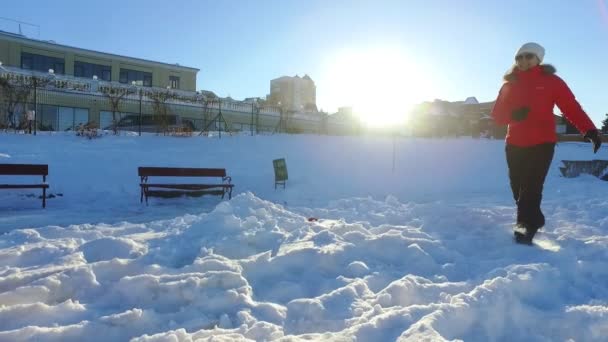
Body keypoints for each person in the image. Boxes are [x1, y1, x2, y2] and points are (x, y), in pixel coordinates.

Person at [491, 42, 602, 245]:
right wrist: (513, 114)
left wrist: (589, 130)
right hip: (515, 143)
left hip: (542, 143)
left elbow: (570, 107)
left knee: (531, 186)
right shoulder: (509, 84)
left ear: (538, 59)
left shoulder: (552, 82)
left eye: (528, 56)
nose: (523, 60)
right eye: (519, 57)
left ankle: (525, 225)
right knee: (517, 187)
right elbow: (497, 116)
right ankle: (536, 218)